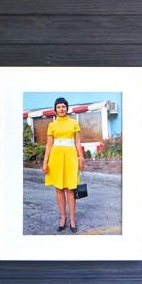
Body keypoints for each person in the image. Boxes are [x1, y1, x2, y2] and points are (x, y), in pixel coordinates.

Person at [40, 98, 84, 232]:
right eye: (58, 107)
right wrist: (45, 161)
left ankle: (72, 220)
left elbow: (77, 142)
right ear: (55, 109)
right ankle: (63, 218)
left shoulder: (74, 123)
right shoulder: (52, 125)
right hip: (56, 158)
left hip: (70, 158)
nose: (61, 109)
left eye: (63, 106)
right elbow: (49, 144)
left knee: (70, 189)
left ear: (67, 108)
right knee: (59, 189)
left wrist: (81, 157)